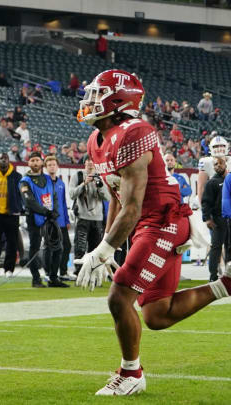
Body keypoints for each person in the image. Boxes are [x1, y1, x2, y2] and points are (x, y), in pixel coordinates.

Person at [77, 69, 231, 396]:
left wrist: (101, 251)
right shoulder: (96, 140)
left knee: (119, 296)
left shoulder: (135, 132)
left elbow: (132, 205)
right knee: (157, 315)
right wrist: (108, 249)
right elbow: (118, 200)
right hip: (148, 223)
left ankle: (130, 373)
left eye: (96, 95)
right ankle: (227, 284)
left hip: (163, 220)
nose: (89, 101)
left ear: (118, 100)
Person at [19, 151, 67, 288]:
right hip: (34, 219)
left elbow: (54, 197)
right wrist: (46, 212)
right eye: (32, 161)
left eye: (37, 160)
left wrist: (55, 212)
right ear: (29, 163)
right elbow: (30, 202)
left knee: (57, 248)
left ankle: (53, 278)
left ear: (41, 162)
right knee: (34, 249)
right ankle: (36, 279)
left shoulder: (47, 179)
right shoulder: (24, 181)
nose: (35, 163)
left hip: (50, 219)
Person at [69, 156, 110, 276]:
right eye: (87, 160)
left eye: (92, 161)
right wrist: (83, 184)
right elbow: (72, 194)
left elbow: (107, 197)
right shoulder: (77, 176)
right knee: (80, 247)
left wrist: (100, 186)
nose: (90, 163)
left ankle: (93, 273)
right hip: (82, 218)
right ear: (84, 162)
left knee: (95, 249)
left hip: (97, 219)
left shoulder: (100, 177)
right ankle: (78, 273)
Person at [0, 153, 23, 278]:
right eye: (1, 158)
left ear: (9, 161)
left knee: (12, 243)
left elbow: (22, 195)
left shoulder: (17, 177)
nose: (3, 160)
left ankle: (9, 269)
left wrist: (19, 208)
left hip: (11, 214)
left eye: (5, 158)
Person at [45, 156, 72, 280]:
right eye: (49, 164)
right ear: (46, 167)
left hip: (61, 221)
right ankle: (49, 272)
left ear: (57, 166)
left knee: (67, 245)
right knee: (51, 247)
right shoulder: (43, 182)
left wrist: (66, 220)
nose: (52, 166)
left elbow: (63, 202)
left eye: (54, 164)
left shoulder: (61, 183)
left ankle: (63, 271)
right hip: (49, 221)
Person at [202, 157, 227, 282]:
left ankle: (228, 275)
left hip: (229, 220)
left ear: (225, 164)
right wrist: (207, 218)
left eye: (219, 163)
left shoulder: (229, 180)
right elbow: (206, 203)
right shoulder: (212, 182)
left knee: (229, 247)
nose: (217, 166)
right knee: (216, 248)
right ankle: (213, 276)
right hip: (218, 220)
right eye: (215, 164)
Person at [196, 136, 231, 208]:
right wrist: (204, 209)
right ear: (211, 148)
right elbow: (201, 187)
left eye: (222, 145)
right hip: (214, 202)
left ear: (227, 146)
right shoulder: (206, 162)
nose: (219, 148)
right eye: (216, 146)